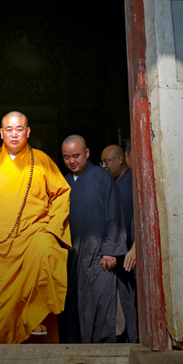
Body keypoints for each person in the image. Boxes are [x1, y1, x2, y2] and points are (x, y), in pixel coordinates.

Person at [0, 111, 71, 344]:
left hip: (32, 237)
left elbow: (61, 193)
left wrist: (51, 230)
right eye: (8, 129)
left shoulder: (41, 161)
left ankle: (35, 320)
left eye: (19, 129)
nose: (14, 134)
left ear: (28, 132)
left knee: (46, 250)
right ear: (1, 133)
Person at [60, 135, 128, 343]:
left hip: (99, 256)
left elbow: (113, 214)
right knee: (73, 305)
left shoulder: (102, 177)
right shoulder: (62, 182)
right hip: (71, 257)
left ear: (87, 153)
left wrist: (110, 250)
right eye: (66, 157)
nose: (72, 161)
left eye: (76, 156)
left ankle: (103, 357)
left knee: (100, 305)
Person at [100, 141, 138, 342]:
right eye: (102, 162)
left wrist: (136, 246)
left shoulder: (133, 182)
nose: (104, 166)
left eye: (107, 161)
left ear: (121, 159)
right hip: (122, 253)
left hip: (132, 253)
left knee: (131, 300)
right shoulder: (112, 184)